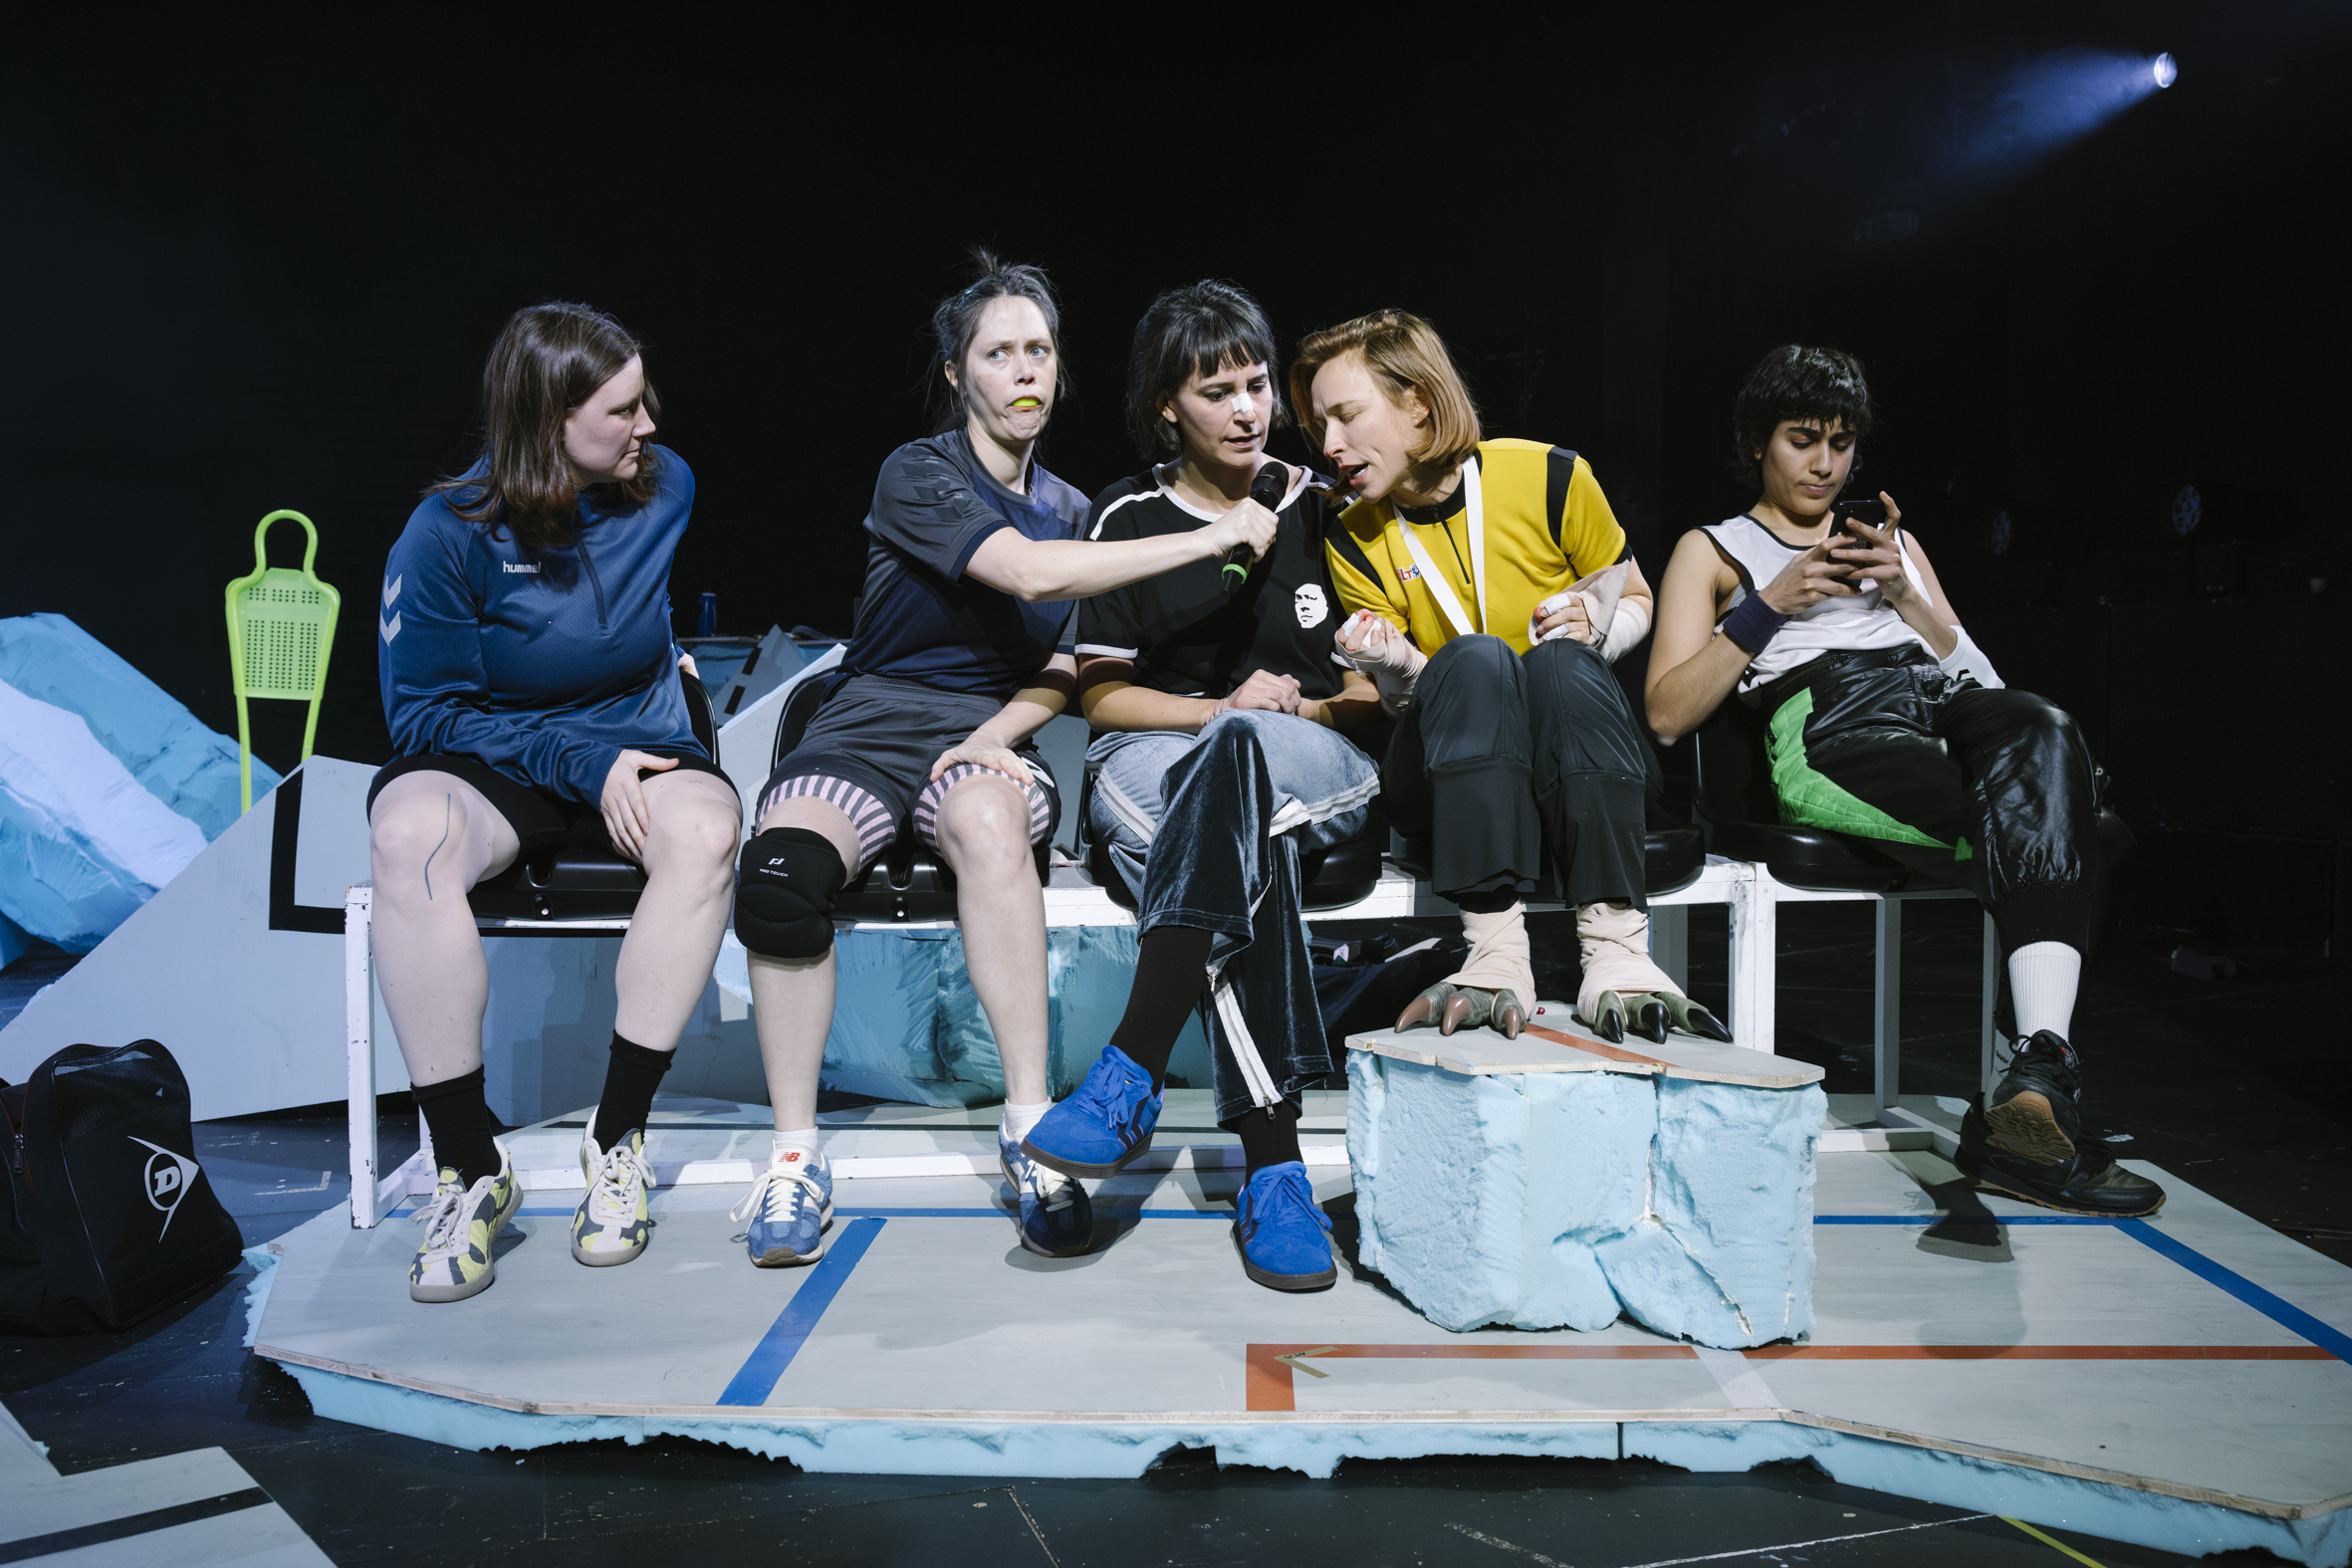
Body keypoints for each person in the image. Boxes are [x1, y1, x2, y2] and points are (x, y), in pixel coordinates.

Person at [730, 254, 1280, 1267]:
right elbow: (1026, 574)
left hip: (985, 730)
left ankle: (1032, 1137)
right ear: (957, 373)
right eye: (998, 353)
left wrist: (992, 738)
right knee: (777, 876)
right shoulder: (918, 472)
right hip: (866, 723)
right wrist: (1214, 537)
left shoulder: (1073, 508)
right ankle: (794, 1157)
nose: (1025, 370)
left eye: (1040, 350)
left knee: (988, 824)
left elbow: (1065, 665)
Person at [1643, 344, 2160, 1217]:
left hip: (1939, 707)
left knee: (2045, 722)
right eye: (1803, 439)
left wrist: (1910, 597)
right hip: (1835, 721)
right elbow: (1665, 712)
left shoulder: (1896, 545)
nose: (1825, 464)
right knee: (2084, 834)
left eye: (1842, 443)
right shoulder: (1715, 549)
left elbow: (1988, 689)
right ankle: (2034, 1100)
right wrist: (1773, 603)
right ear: (1757, 442)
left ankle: (2033, 1087)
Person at [371, 302, 743, 1303]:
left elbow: (639, 627)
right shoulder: (445, 534)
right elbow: (425, 716)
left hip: (638, 744)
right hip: (499, 755)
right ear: (549, 421)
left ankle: (616, 1139)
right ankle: (469, 1166)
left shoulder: (665, 488)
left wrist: (633, 739)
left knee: (707, 830)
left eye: (644, 401)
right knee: (406, 836)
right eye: (621, 410)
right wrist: (581, 763)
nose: (648, 425)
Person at [1020, 282, 1384, 1292]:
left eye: (1257, 384)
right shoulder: (1127, 517)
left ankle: (1130, 1067)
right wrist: (1218, 711)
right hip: (1158, 753)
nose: (1246, 409)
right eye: (1216, 391)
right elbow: (1102, 698)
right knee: (1240, 829)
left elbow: (1368, 692)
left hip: (1310, 750)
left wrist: (1283, 715)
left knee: (1243, 764)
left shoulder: (1325, 505)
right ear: (1166, 408)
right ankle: (1275, 1170)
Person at [1292, 309, 1727, 1046]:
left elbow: (1636, 595)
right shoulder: (1353, 534)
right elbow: (1404, 704)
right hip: (1446, 776)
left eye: (1346, 416)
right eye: (1319, 425)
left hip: (1572, 750)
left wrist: (1600, 627)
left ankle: (1618, 953)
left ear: (1417, 403)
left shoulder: (1551, 475)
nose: (1329, 444)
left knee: (1558, 661)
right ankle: (1494, 954)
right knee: (1475, 658)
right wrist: (1397, 667)